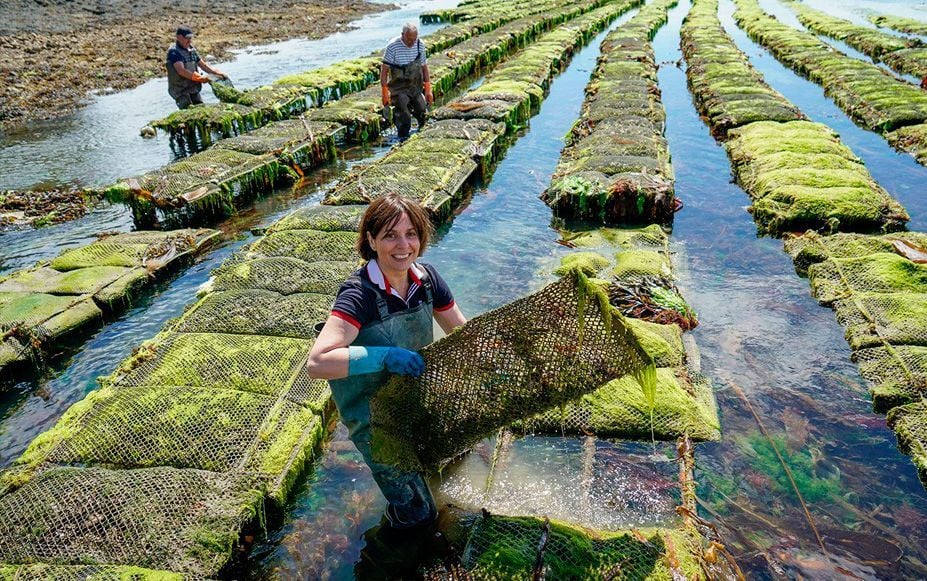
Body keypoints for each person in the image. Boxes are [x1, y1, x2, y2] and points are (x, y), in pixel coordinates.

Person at [307, 193, 466, 530]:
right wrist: (385, 357)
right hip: (374, 417)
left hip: (413, 397)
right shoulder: (359, 295)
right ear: (371, 240)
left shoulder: (427, 281)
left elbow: (462, 333)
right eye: (390, 235)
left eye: (411, 234)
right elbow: (318, 363)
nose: (402, 245)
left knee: (443, 461)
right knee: (418, 512)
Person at [381, 22, 434, 140]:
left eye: (414, 39)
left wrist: (428, 89)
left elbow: (424, 67)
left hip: (415, 87)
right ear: (402, 35)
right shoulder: (392, 47)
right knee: (404, 113)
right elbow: (384, 70)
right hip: (399, 89)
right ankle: (403, 137)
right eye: (409, 40)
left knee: (421, 109)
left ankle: (421, 133)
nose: (412, 43)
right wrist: (385, 92)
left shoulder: (420, 44)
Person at [166, 26, 226, 109]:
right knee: (188, 111)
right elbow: (181, 70)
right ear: (179, 37)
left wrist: (215, 72)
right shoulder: (174, 52)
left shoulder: (191, 50)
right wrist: (199, 78)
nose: (189, 41)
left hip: (193, 88)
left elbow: (202, 65)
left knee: (201, 109)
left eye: (190, 38)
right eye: (187, 38)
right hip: (180, 90)